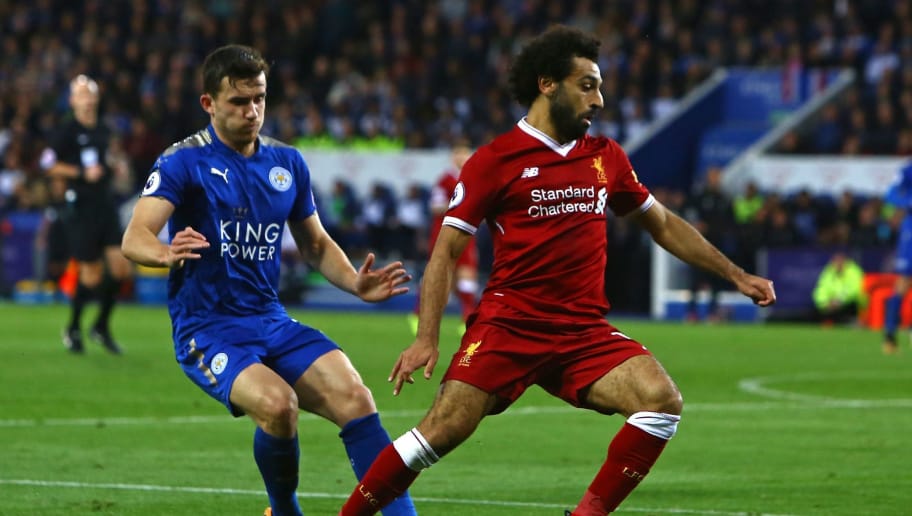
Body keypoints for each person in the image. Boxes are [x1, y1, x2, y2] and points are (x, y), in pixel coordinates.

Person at [339, 26, 776, 516]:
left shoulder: (605, 157)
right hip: (510, 326)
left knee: (661, 401)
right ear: (547, 84)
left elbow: (663, 224)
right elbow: (445, 251)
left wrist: (736, 275)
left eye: (599, 87)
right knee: (441, 431)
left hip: (582, 331)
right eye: (586, 86)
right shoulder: (494, 161)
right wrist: (427, 337)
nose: (599, 100)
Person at [120, 45, 417, 516]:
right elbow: (134, 236)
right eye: (239, 102)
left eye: (259, 98)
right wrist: (164, 252)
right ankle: (284, 511)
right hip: (208, 327)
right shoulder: (182, 161)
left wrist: (355, 283)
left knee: (356, 398)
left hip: (270, 319)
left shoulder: (287, 163)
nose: (252, 111)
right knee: (279, 406)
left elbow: (315, 244)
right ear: (208, 103)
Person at [41, 74, 133, 354]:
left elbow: (107, 158)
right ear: (72, 101)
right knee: (91, 274)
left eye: (90, 93)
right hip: (81, 207)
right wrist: (81, 172)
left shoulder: (104, 129)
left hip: (105, 204)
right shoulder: (66, 130)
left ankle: (101, 326)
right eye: (81, 94)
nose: (87, 99)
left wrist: (115, 167)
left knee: (121, 267)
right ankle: (73, 328)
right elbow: (47, 164)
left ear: (97, 98)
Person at [408, 142, 479, 336]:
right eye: (459, 154)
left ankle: (467, 319)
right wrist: (461, 205)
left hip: (466, 233)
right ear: (452, 157)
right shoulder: (445, 180)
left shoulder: (472, 178)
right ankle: (418, 314)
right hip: (444, 235)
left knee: (466, 275)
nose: (462, 158)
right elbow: (435, 207)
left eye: (465, 154)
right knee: (440, 275)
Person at [882, 160, 912, 354]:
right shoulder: (908, 170)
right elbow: (891, 194)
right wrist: (908, 201)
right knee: (904, 280)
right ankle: (890, 334)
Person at [811, 251, 866, 325]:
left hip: (851, 304)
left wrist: (838, 300)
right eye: (835, 261)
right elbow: (821, 289)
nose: (837, 264)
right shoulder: (829, 271)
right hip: (832, 305)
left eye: (840, 261)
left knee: (849, 307)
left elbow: (853, 290)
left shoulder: (854, 271)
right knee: (818, 310)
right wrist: (825, 303)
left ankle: (854, 321)